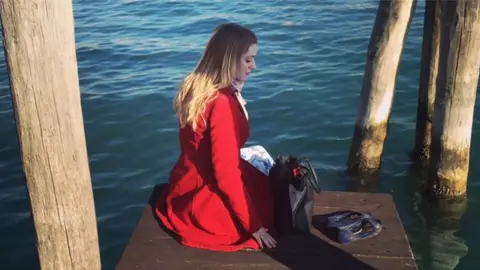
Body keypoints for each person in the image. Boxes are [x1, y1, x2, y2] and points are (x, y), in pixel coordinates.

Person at [154, 23, 277, 251]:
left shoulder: (196, 87)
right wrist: (254, 225)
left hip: (186, 182)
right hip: (205, 198)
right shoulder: (222, 103)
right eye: (248, 60)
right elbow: (226, 173)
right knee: (271, 207)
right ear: (229, 60)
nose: (254, 66)